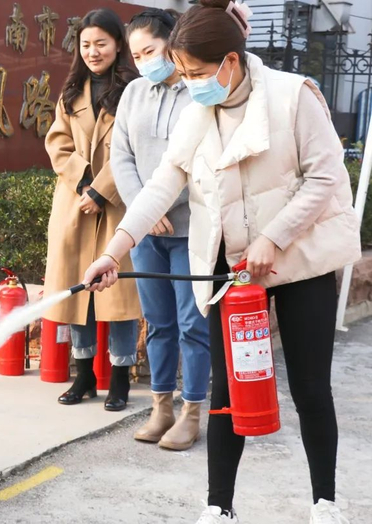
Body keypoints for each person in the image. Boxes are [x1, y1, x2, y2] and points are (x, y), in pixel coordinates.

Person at [82, 0, 361, 522]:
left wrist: (275, 238)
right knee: (227, 388)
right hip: (229, 264)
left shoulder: (291, 96)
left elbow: (325, 178)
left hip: (300, 260)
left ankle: (325, 500)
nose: (189, 84)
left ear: (230, 62)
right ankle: (219, 507)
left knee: (308, 385)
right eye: (183, 74)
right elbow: (163, 184)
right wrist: (113, 252)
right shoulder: (199, 111)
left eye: (196, 73)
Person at [112, 8, 210, 451]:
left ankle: (191, 412)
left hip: (192, 228)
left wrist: (170, 204)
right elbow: (122, 157)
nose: (143, 61)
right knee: (157, 322)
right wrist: (143, 209)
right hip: (146, 231)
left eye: (150, 50)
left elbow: (207, 162)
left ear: (173, 43)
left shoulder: (200, 92)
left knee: (193, 323)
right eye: (136, 55)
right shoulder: (133, 93)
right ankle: (161, 407)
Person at [44, 8, 141, 412]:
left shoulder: (135, 91)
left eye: (101, 43)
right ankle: (83, 374)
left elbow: (139, 149)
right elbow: (57, 143)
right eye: (85, 44)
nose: (93, 51)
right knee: (77, 293)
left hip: (118, 207)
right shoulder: (71, 92)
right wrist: (84, 181)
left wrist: (102, 190)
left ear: (118, 44)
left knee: (116, 295)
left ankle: (118, 379)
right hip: (74, 205)